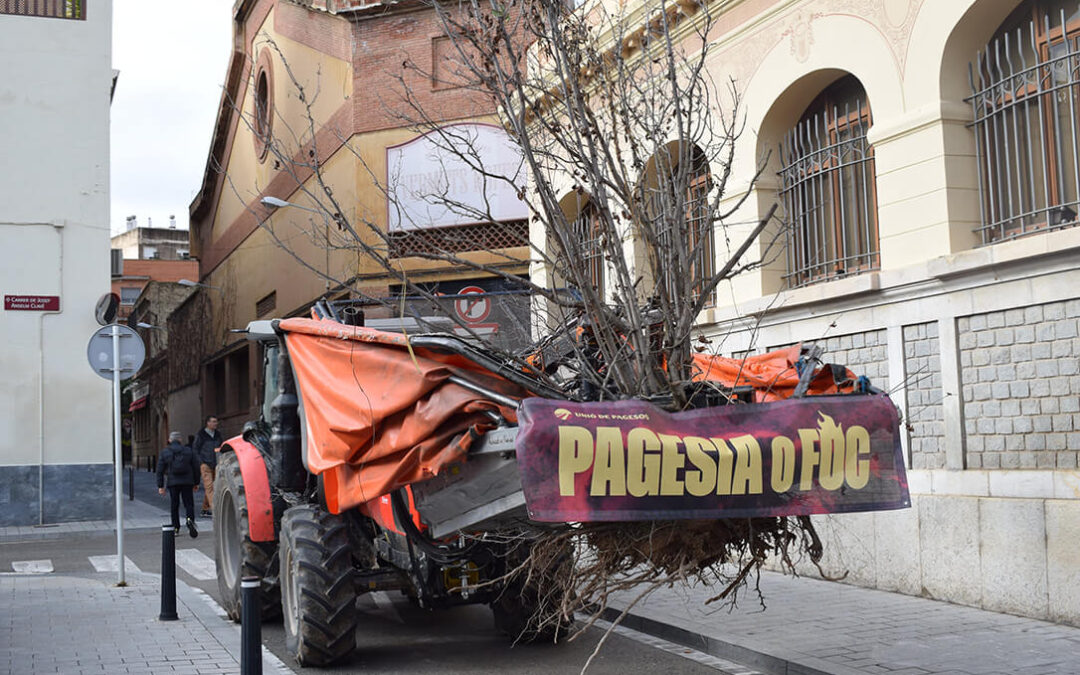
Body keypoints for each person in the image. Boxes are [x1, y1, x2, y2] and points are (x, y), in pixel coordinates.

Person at [156, 431, 200, 537]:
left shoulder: (165, 452)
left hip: (173, 482)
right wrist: (196, 482)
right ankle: (189, 520)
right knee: (188, 503)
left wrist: (160, 485)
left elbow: (160, 470)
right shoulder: (189, 451)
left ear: (169, 440)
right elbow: (196, 467)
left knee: (174, 505)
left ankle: (176, 528)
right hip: (187, 481)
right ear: (180, 440)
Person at [192, 415, 222, 517]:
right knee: (209, 487)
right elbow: (195, 449)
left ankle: (205, 508)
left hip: (216, 463)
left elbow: (221, 446)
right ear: (208, 423)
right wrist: (201, 462)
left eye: (216, 421)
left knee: (213, 486)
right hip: (205, 464)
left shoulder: (218, 434)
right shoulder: (201, 435)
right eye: (213, 421)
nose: (216, 424)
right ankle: (216, 510)